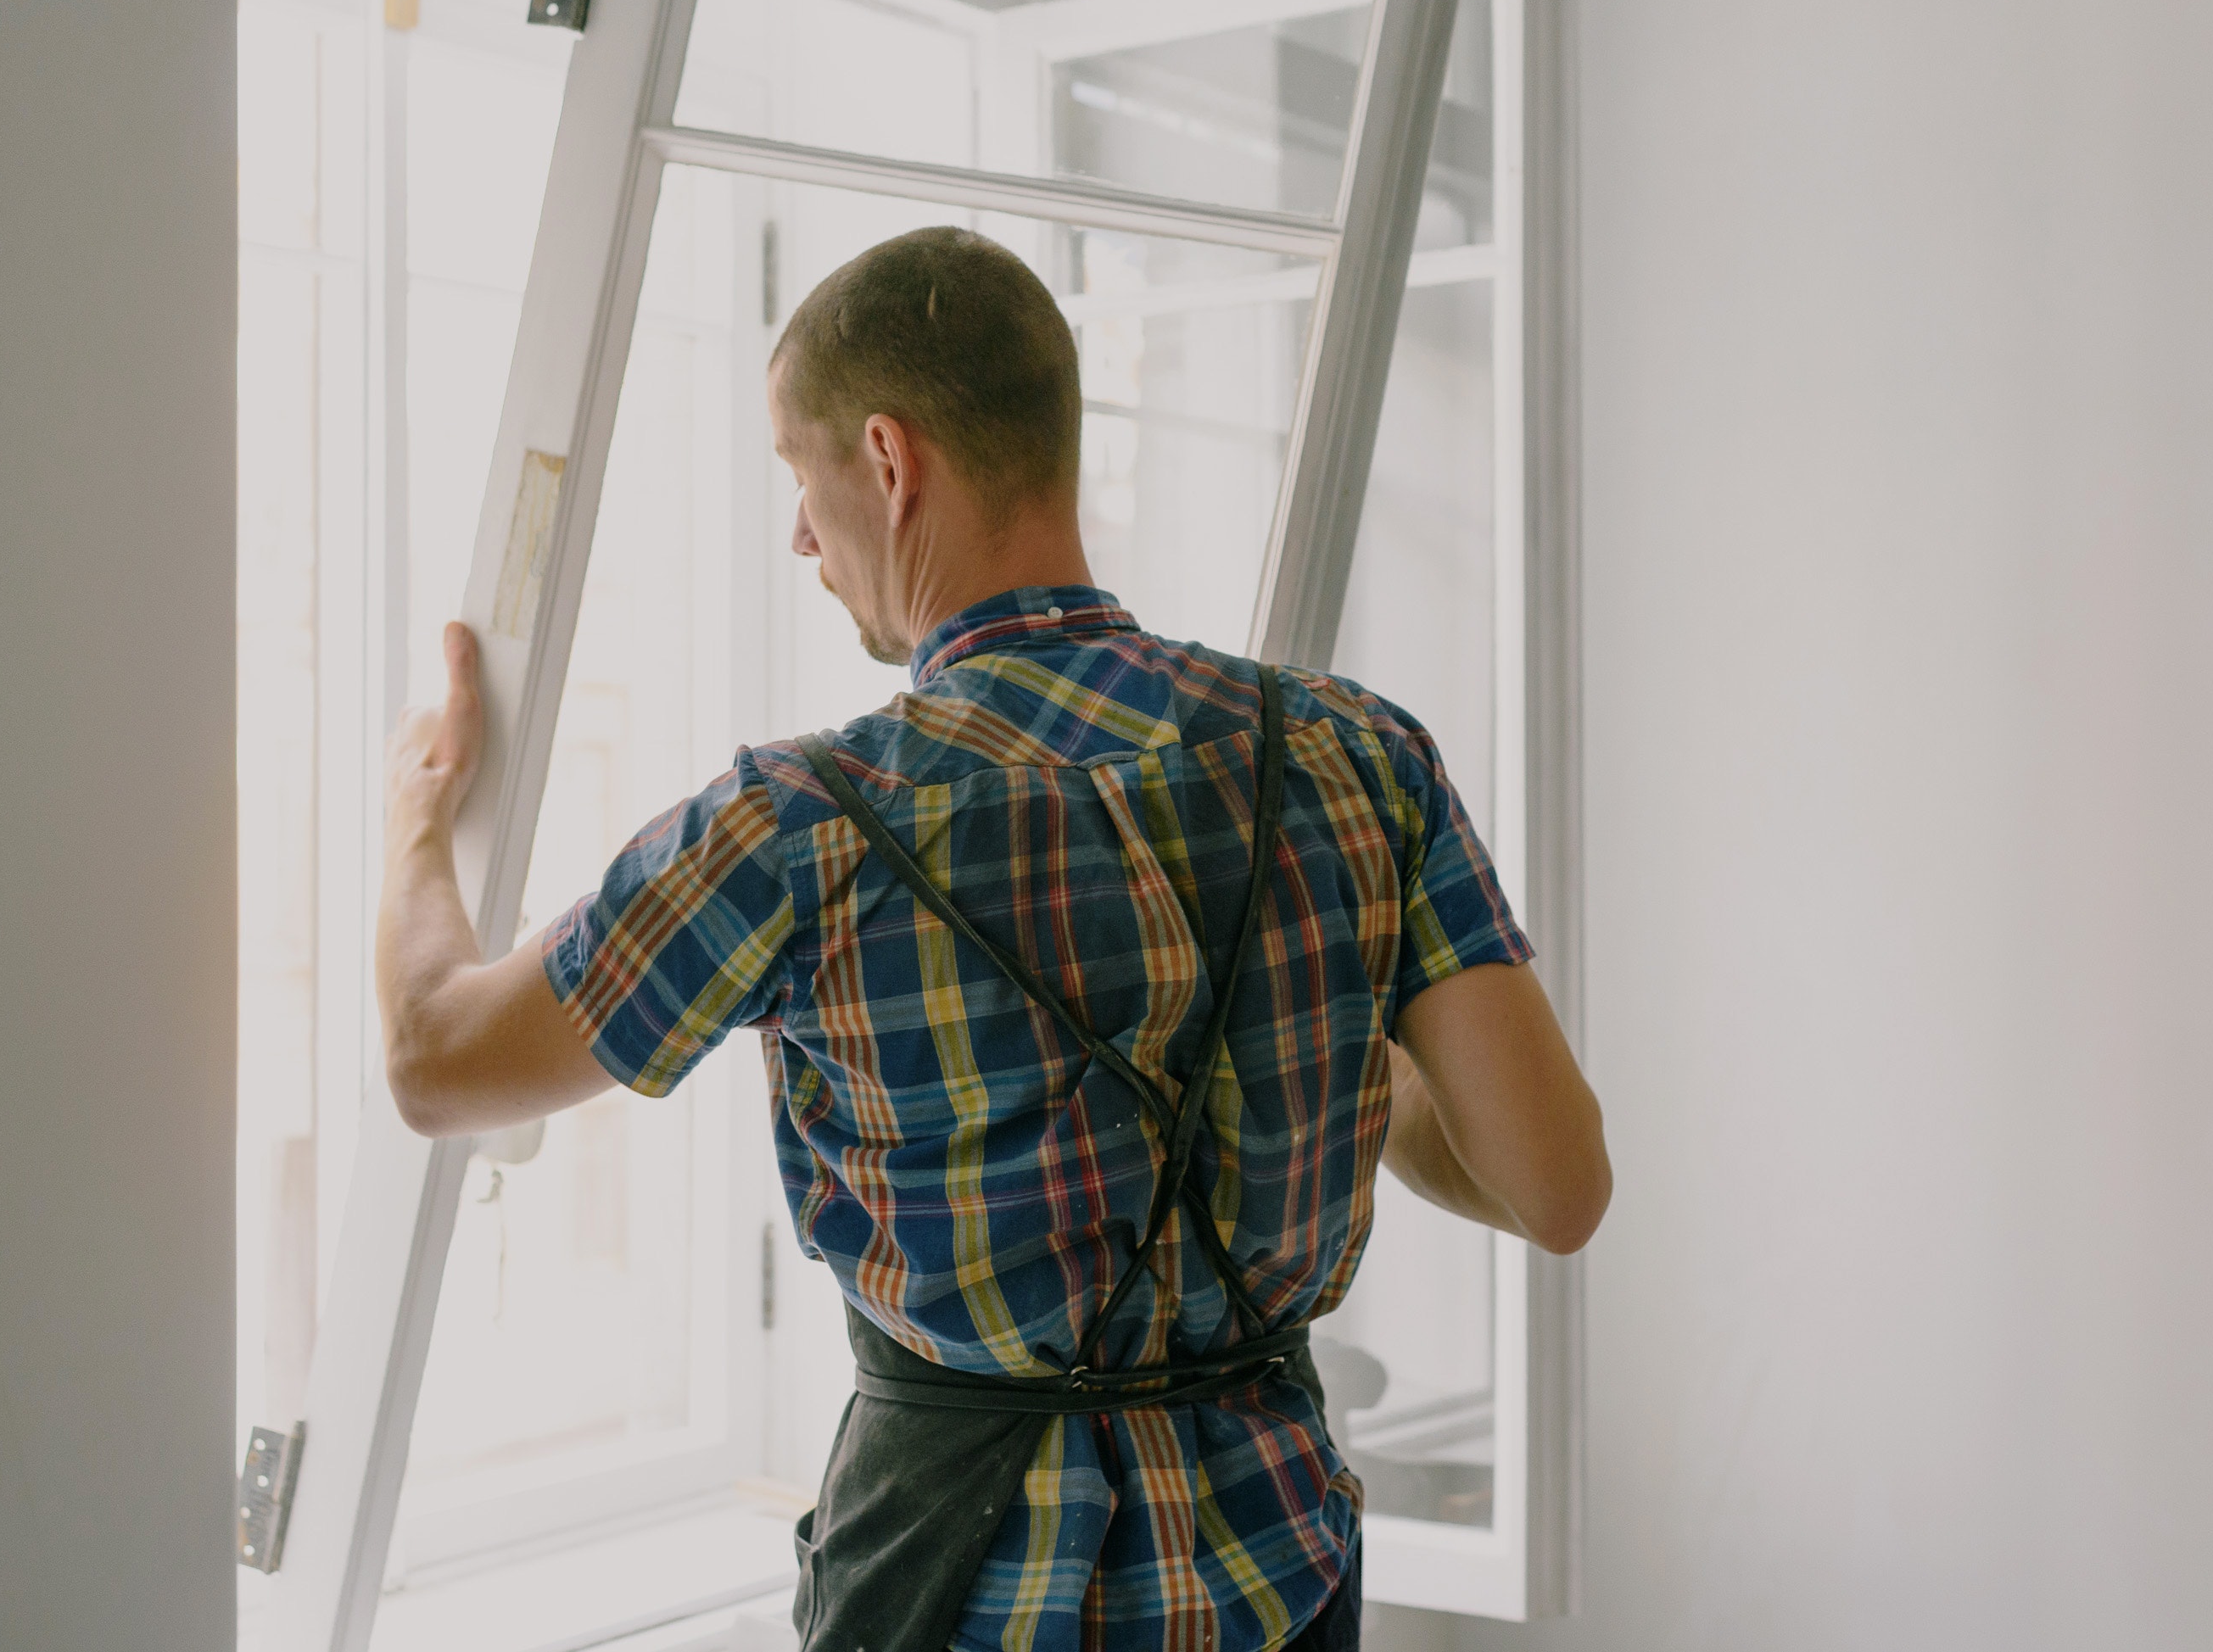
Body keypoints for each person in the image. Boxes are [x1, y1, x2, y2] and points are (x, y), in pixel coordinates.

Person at [376, 226, 1610, 1652]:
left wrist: (415, 826)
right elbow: (1558, 1188)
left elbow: (435, 1058)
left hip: (961, 1601)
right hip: (1278, 1584)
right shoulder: (1354, 754)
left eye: (799, 472)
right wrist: (1340, 1053)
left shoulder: (803, 823)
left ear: (889, 463)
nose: (797, 531)